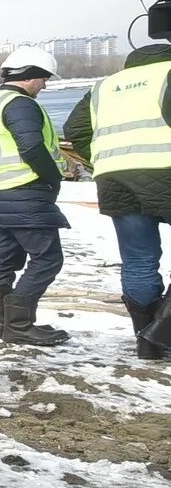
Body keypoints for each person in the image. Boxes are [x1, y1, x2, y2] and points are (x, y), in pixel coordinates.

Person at [64, 33, 171, 358]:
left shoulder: (104, 86)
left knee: (139, 260)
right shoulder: (166, 75)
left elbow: (76, 129)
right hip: (165, 170)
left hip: (115, 178)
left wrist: (105, 157)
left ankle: (147, 341)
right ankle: (159, 333)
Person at [0, 46, 70, 347]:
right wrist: (52, 177)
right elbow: (31, 148)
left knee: (4, 259)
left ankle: (1, 323)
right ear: (30, 76)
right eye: (43, 79)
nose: (45, 85)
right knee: (48, 258)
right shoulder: (20, 104)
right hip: (24, 192)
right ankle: (19, 324)